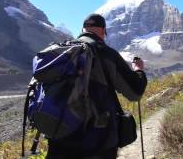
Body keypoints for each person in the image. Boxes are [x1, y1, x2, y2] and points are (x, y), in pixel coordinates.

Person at [46, 14, 147, 159]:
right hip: (98, 141)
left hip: (59, 136)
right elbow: (135, 93)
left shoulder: (63, 51)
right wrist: (139, 70)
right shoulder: (107, 54)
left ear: (83, 29)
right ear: (103, 31)